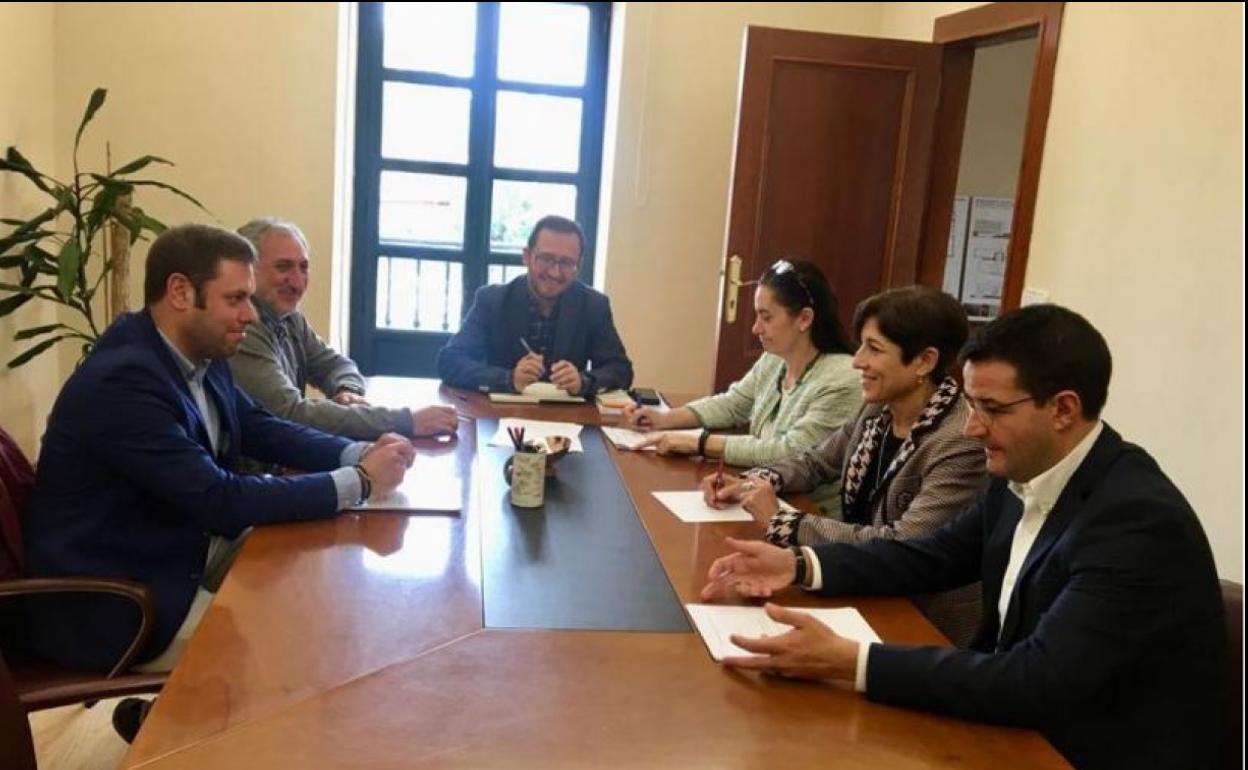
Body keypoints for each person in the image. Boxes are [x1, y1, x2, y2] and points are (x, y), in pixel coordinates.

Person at [699, 305, 1224, 770]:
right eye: (971, 405)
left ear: (1064, 409)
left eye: (992, 409)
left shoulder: (1135, 522)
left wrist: (852, 661)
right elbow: (932, 555)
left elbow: (1034, 682)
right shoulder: (1023, 472)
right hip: (1013, 729)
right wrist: (800, 565)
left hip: (1084, 751)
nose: (972, 428)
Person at [23, 224, 415, 677]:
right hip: (119, 598)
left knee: (320, 573)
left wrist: (357, 451)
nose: (250, 315)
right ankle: (197, 735)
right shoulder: (123, 381)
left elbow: (262, 428)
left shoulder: (195, 353)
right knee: (297, 641)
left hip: (176, 547)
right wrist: (361, 481)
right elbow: (220, 499)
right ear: (180, 292)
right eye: (236, 299)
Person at [699, 286, 987, 645]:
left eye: (874, 349)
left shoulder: (958, 441)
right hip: (861, 587)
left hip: (921, 621)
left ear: (924, 361)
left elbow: (905, 542)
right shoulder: (878, 408)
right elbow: (817, 461)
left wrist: (787, 523)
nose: (857, 361)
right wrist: (755, 481)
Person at [624, 259, 860, 515]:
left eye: (766, 317)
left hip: (809, 512)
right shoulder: (774, 359)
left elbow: (789, 451)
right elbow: (734, 403)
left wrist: (698, 443)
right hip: (760, 492)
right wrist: (664, 419)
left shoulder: (843, 378)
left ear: (804, 318)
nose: (755, 328)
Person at [229, 217, 456, 440]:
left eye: (304, 267)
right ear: (249, 270)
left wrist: (348, 391)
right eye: (284, 267)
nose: (298, 282)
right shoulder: (242, 329)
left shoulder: (290, 320)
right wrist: (406, 421)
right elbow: (290, 414)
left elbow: (336, 365)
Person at [436, 215, 633, 397]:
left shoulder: (594, 305)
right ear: (527, 256)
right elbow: (450, 362)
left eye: (566, 263)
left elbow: (621, 370)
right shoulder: (492, 300)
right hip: (499, 416)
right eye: (546, 259)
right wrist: (508, 378)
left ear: (578, 266)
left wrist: (584, 381)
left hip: (568, 421)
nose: (555, 272)